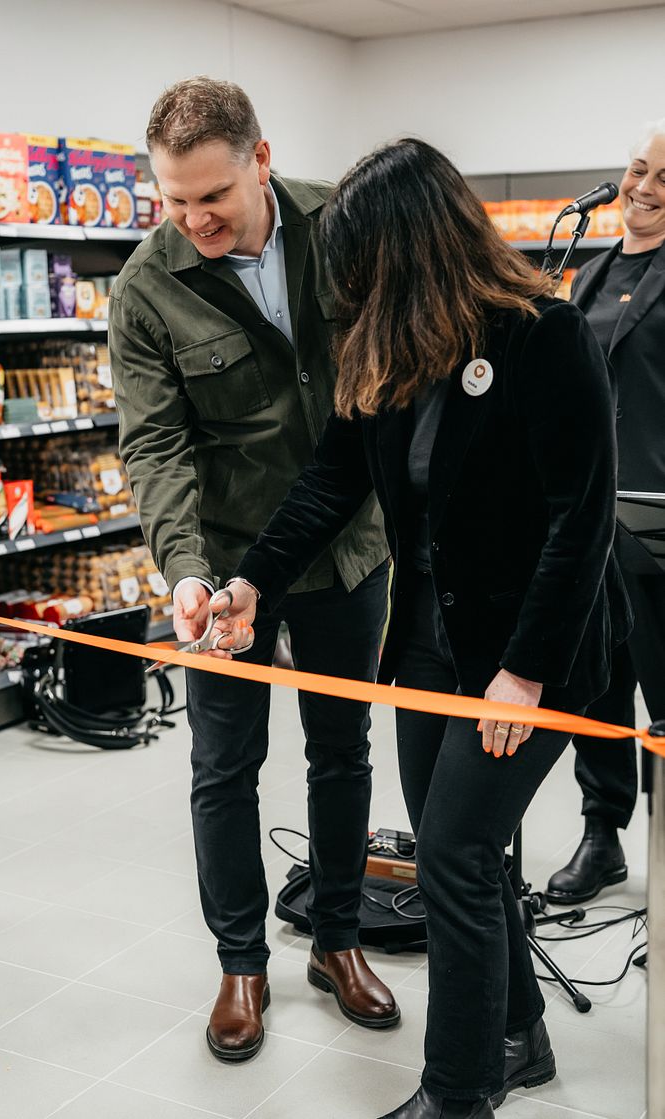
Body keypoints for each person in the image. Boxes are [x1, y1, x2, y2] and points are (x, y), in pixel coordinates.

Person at [209, 138, 631, 1117]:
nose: (346, 280)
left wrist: (522, 674)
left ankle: (458, 1093)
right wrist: (250, 587)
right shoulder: (389, 344)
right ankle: (517, 1034)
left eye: (360, 257)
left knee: (449, 854)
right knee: (462, 862)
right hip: (429, 648)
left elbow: (579, 519)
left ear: (410, 246)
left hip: (537, 655)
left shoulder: (542, 335)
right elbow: (328, 484)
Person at [108, 77, 398, 1063]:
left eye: (213, 197)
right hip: (226, 569)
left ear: (260, 161)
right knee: (222, 767)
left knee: (341, 749)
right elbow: (154, 446)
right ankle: (240, 962)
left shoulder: (347, 225)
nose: (194, 220)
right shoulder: (145, 287)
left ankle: (339, 939)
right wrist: (185, 572)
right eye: (173, 200)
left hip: (348, 550)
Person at [546, 118, 665, 905]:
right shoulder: (586, 273)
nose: (644, 188)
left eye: (664, 179)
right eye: (637, 169)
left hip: (661, 524)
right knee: (600, 686)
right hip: (594, 522)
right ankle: (603, 831)